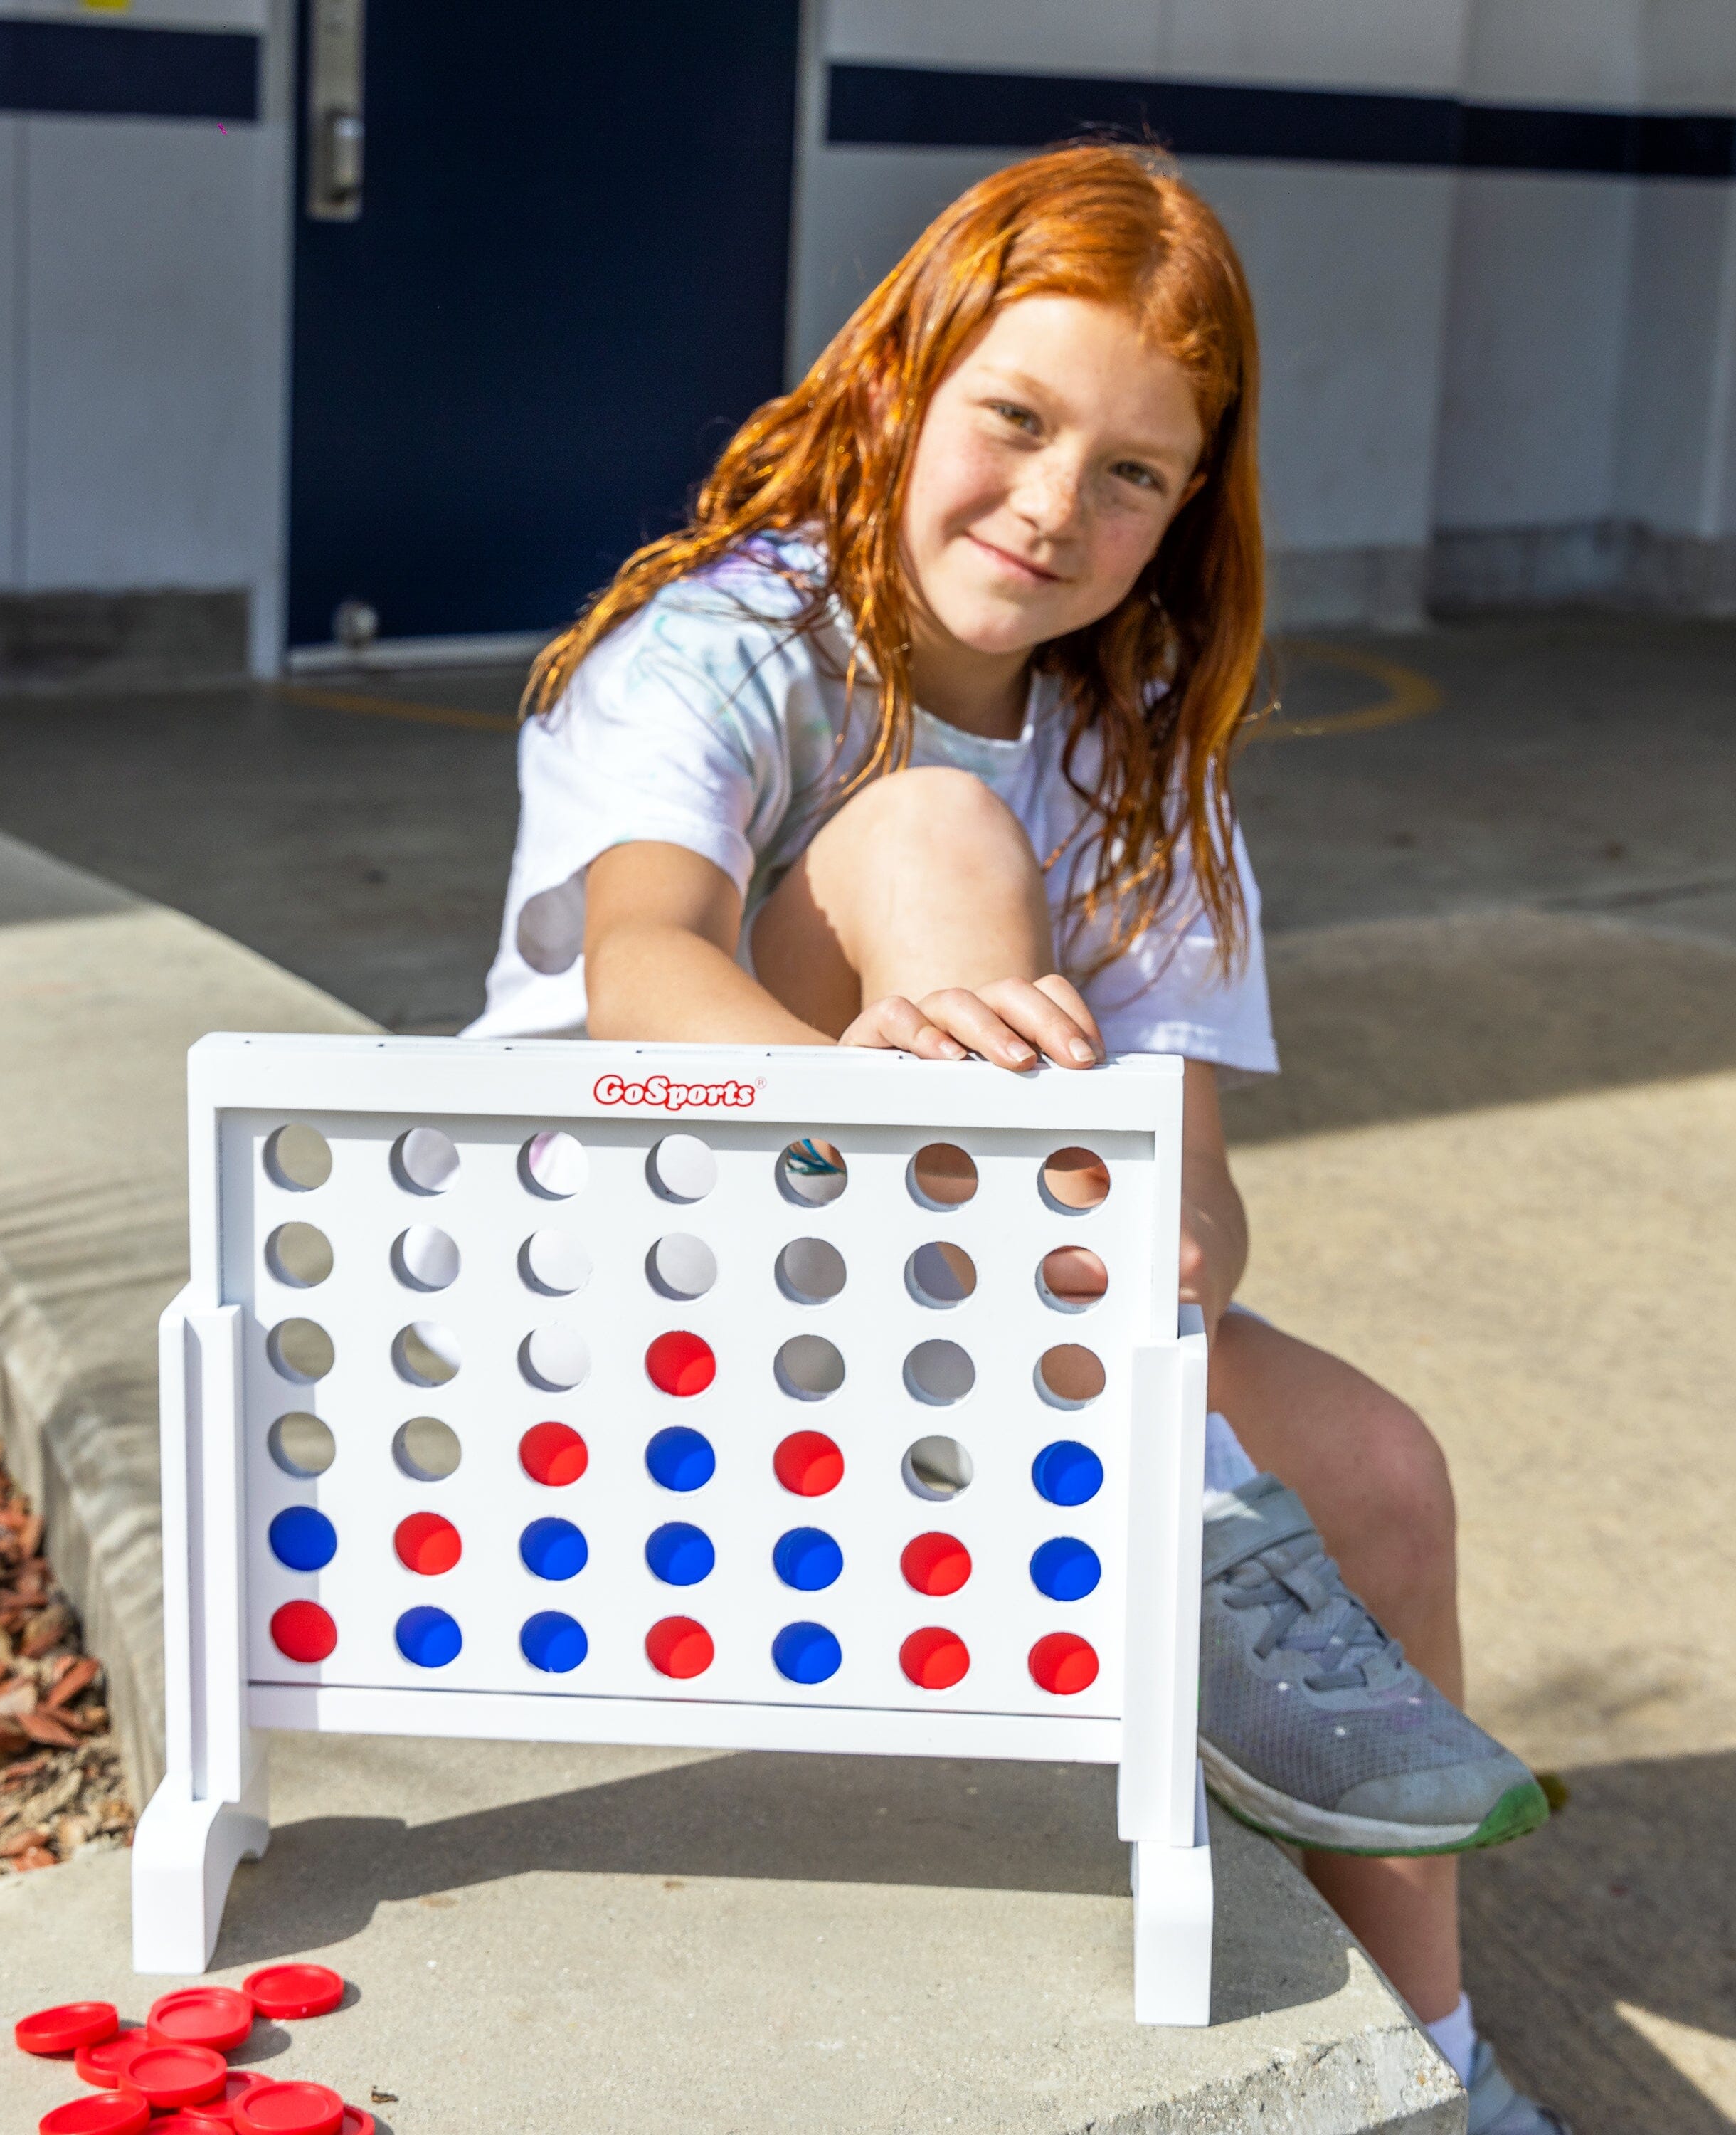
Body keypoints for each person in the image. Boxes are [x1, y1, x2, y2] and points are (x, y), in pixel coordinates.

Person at [465, 143, 1560, 2133]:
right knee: (928, 830)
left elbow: (1191, 1180)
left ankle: (1444, 2069)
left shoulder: (1141, 765)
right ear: (900, 384)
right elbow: (640, 972)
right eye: (1018, 419)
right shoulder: (727, 646)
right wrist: (901, 1109)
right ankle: (1191, 1515)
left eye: (1135, 471)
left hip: (982, 1336)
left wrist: (1169, 1245)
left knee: (1386, 1478)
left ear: (1186, 512)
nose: (1056, 506)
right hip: (632, 1292)